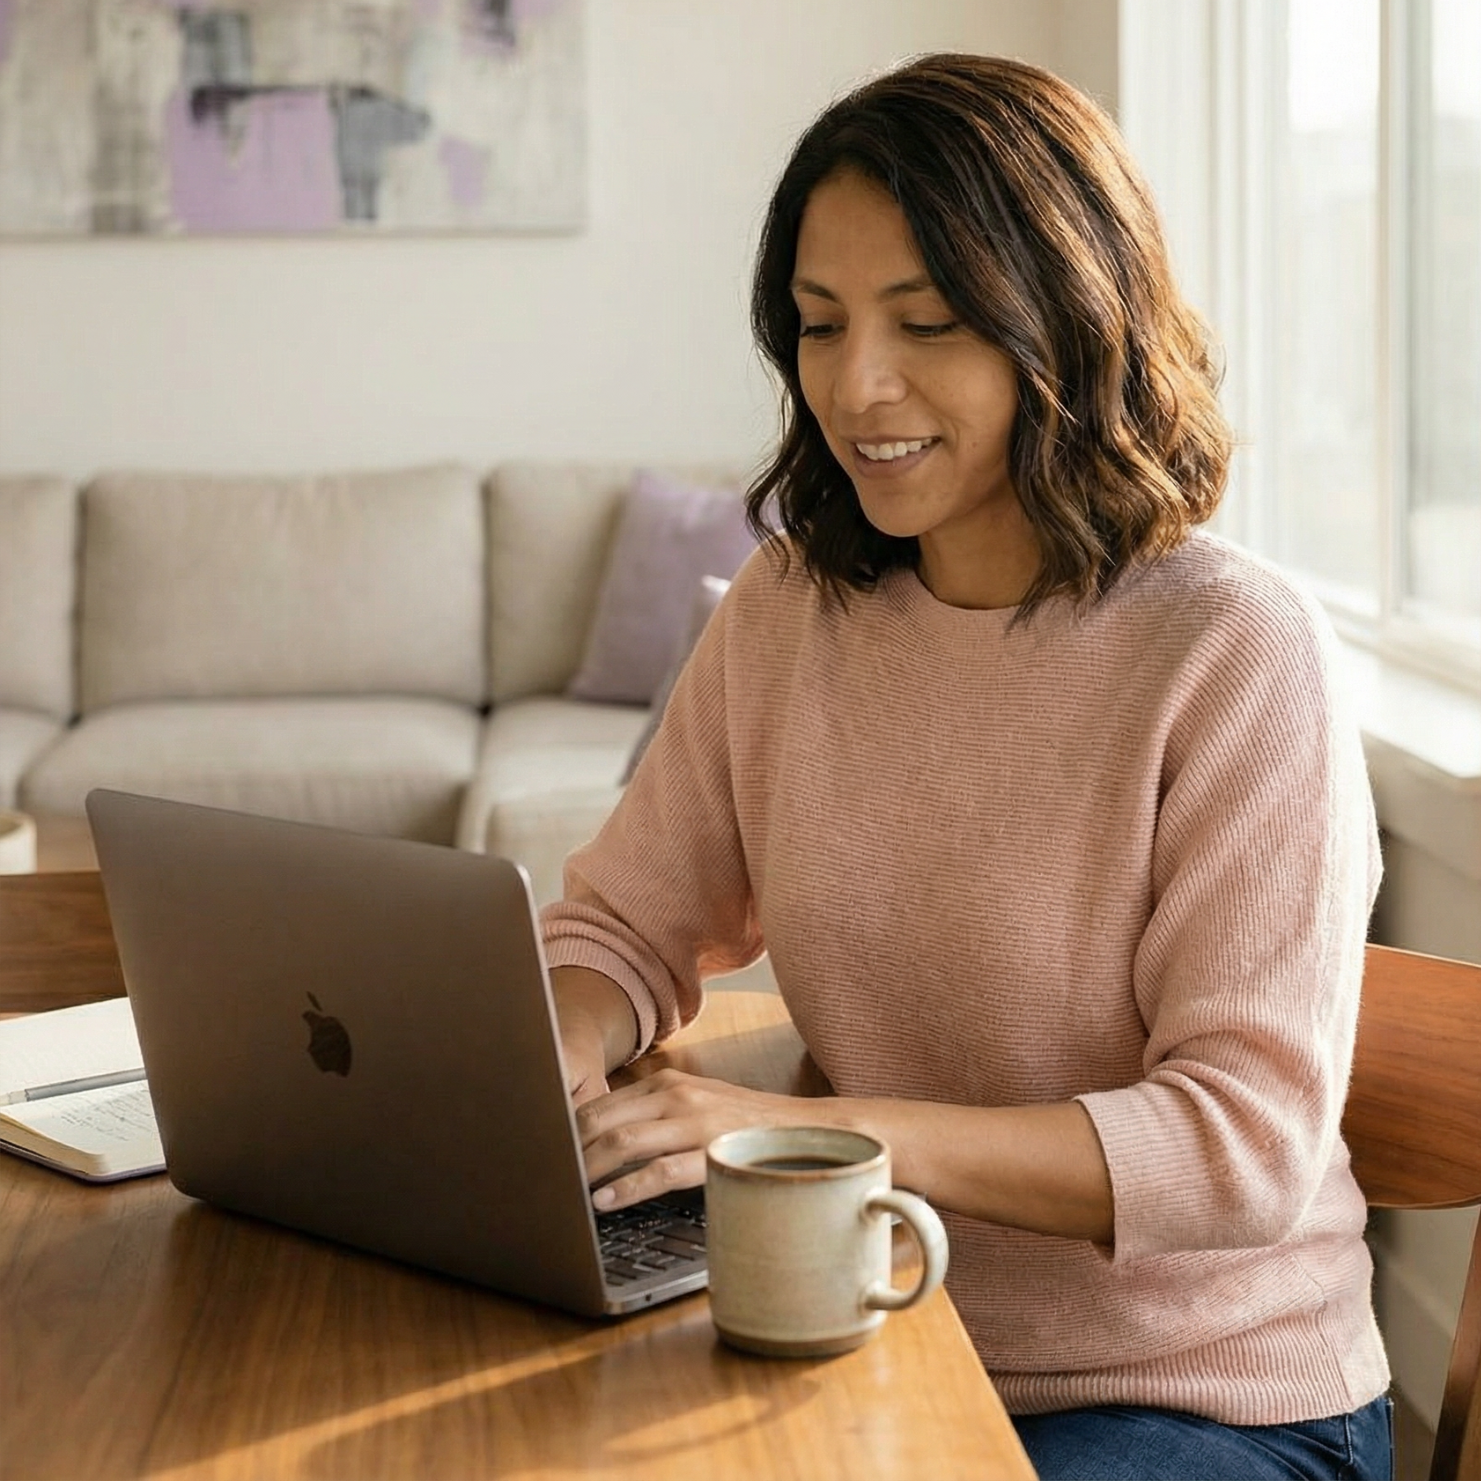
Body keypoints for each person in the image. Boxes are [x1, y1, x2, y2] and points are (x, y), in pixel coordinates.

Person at [540, 53, 1393, 1481]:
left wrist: (800, 1134)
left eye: (926, 322)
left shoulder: (1238, 653)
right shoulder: (792, 609)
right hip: (869, 1332)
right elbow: (625, 925)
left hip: (1197, 1394)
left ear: (1065, 318)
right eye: (818, 327)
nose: (856, 387)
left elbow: (1240, 1151)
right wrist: (553, 1057)